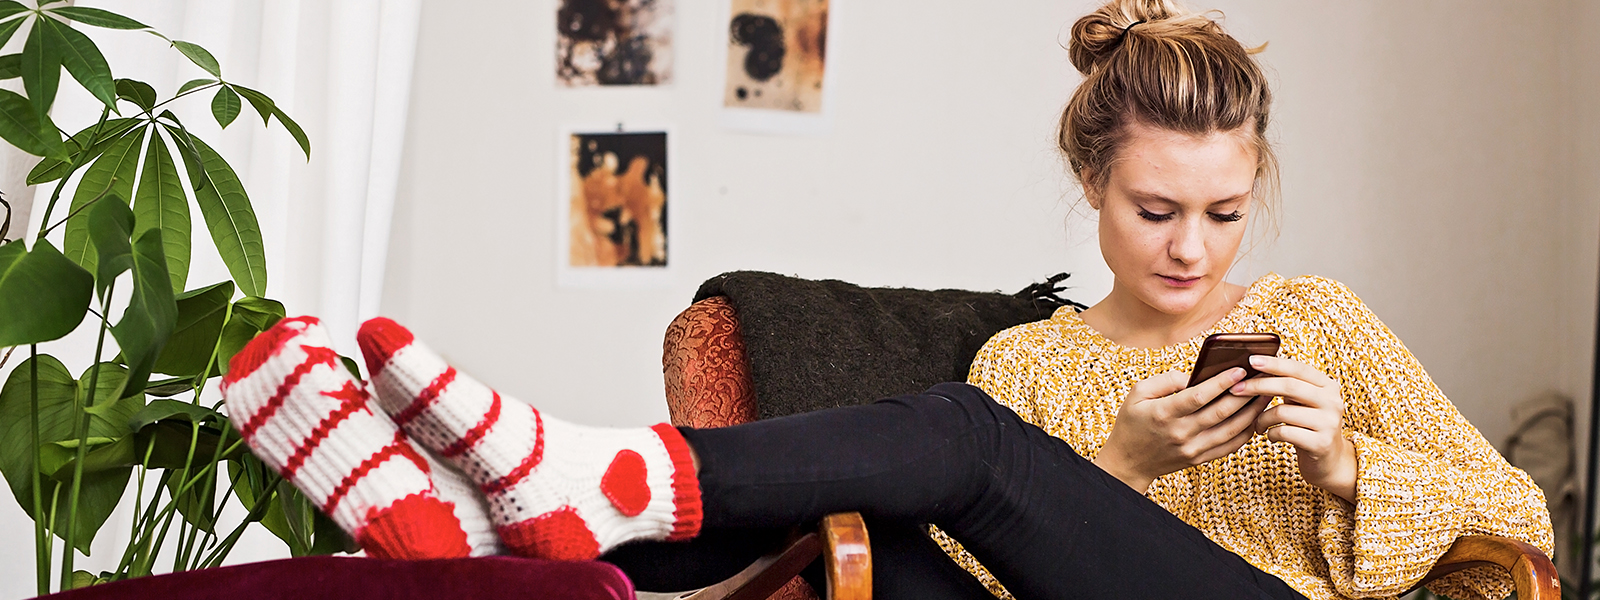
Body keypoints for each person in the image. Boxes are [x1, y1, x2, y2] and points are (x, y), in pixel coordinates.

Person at [217, 1, 1553, 599]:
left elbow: (1519, 520)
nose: (1193, 250)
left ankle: (579, 473)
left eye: (1221, 212)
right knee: (857, 532)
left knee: (960, 445)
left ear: (1256, 189)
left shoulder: (1319, 317)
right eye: (1156, 211)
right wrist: (1121, 466)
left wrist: (1339, 459)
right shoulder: (1036, 362)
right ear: (1090, 185)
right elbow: (970, 575)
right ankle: (469, 544)